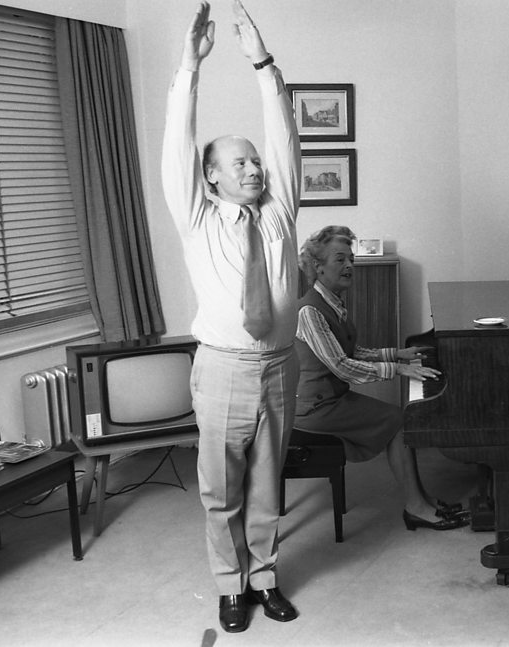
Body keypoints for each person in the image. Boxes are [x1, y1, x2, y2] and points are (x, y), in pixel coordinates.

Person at [161, 0, 302, 633]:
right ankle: (229, 586)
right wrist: (190, 66)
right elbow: (177, 146)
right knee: (221, 489)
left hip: (280, 367)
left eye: (255, 160)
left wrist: (262, 64)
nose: (254, 167)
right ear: (211, 177)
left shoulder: (280, 212)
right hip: (222, 370)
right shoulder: (196, 216)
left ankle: (264, 578)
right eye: (239, 162)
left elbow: (285, 140)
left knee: (268, 484)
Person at [293, 226, 469, 531]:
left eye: (351, 259)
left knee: (398, 420)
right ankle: (416, 506)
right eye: (340, 259)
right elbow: (342, 366)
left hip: (331, 399)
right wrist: (397, 369)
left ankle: (422, 499)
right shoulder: (310, 311)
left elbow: (352, 351)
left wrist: (397, 354)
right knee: (398, 421)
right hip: (315, 409)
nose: (349, 266)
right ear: (318, 267)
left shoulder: (332, 302)